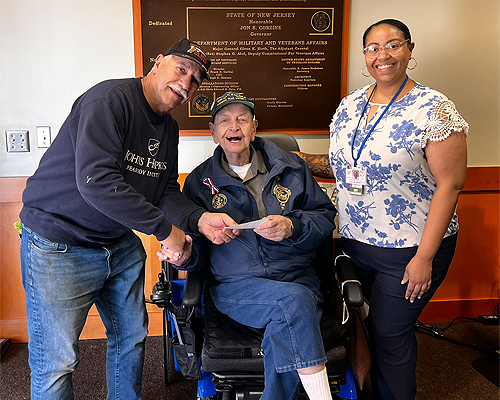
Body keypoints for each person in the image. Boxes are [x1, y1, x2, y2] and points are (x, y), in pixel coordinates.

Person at [19, 38, 238, 400]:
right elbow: (97, 182)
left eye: (196, 79)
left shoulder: (168, 129)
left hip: (117, 243)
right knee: (57, 362)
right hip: (59, 245)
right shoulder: (109, 101)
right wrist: (167, 233)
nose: (187, 82)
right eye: (181, 69)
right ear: (157, 62)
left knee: (132, 340)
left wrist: (198, 221)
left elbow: (166, 191)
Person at [296, 19, 468, 400]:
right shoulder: (351, 104)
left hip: (410, 251)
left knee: (390, 336)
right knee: (364, 330)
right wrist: (297, 160)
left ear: (409, 49)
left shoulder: (434, 109)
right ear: (364, 55)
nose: (382, 55)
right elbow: (348, 165)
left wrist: (424, 257)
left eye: (392, 45)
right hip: (355, 243)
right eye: (373, 48)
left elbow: (450, 184)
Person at [165, 92, 337, 400]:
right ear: (213, 131)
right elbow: (198, 251)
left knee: (285, 323)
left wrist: (292, 226)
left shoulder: (292, 169)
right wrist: (187, 254)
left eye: (242, 119)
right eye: (225, 120)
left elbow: (325, 217)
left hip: (297, 277)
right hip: (237, 288)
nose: (234, 126)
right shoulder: (198, 183)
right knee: (292, 304)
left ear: (254, 127)